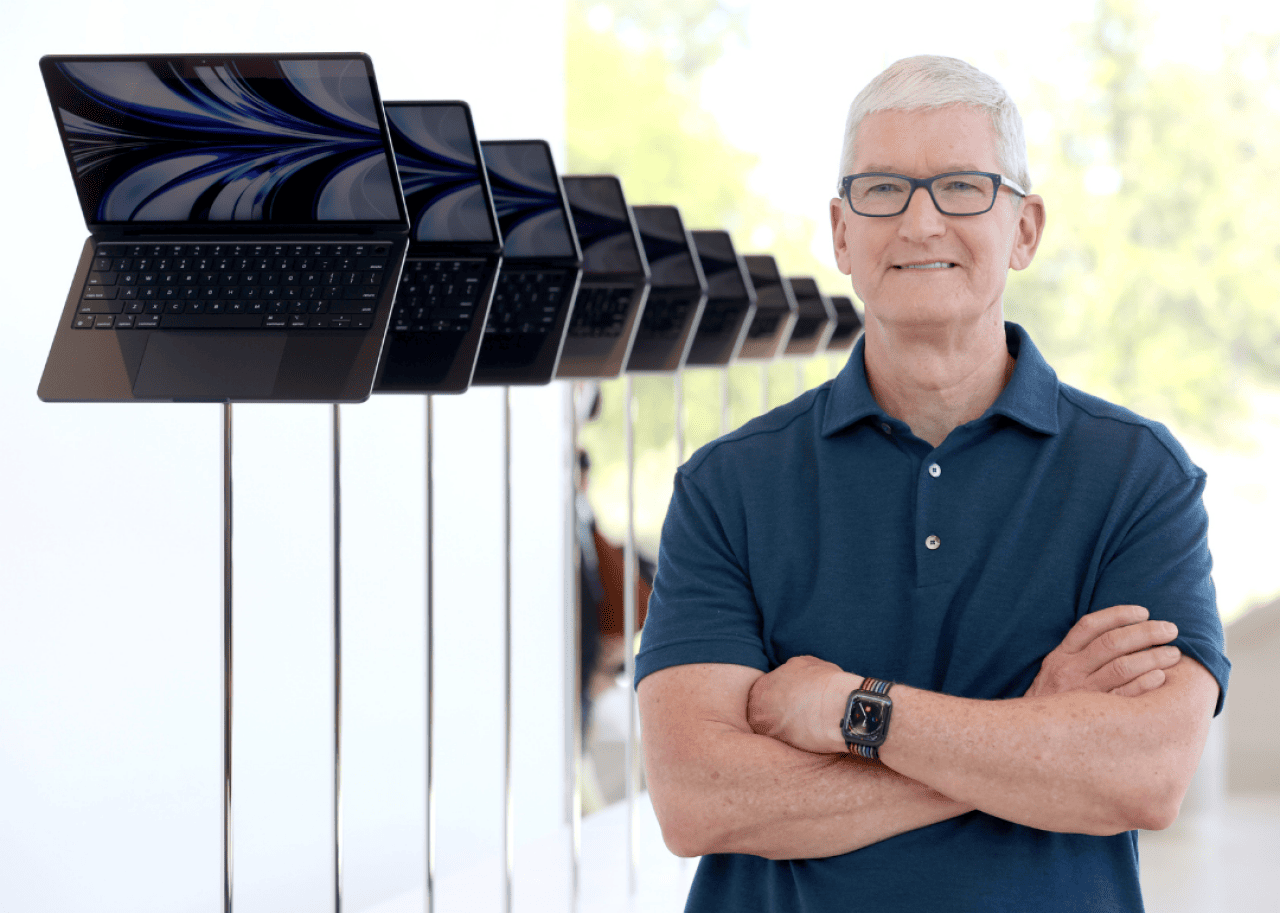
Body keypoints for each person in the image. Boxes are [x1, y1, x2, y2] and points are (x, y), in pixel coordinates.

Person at [635, 55, 1230, 912]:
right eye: (882, 190)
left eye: (961, 187)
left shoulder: (1138, 476)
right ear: (841, 233)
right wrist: (1031, 732)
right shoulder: (727, 486)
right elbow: (698, 798)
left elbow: (1141, 777)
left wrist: (851, 709)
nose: (919, 223)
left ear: (1024, 229)